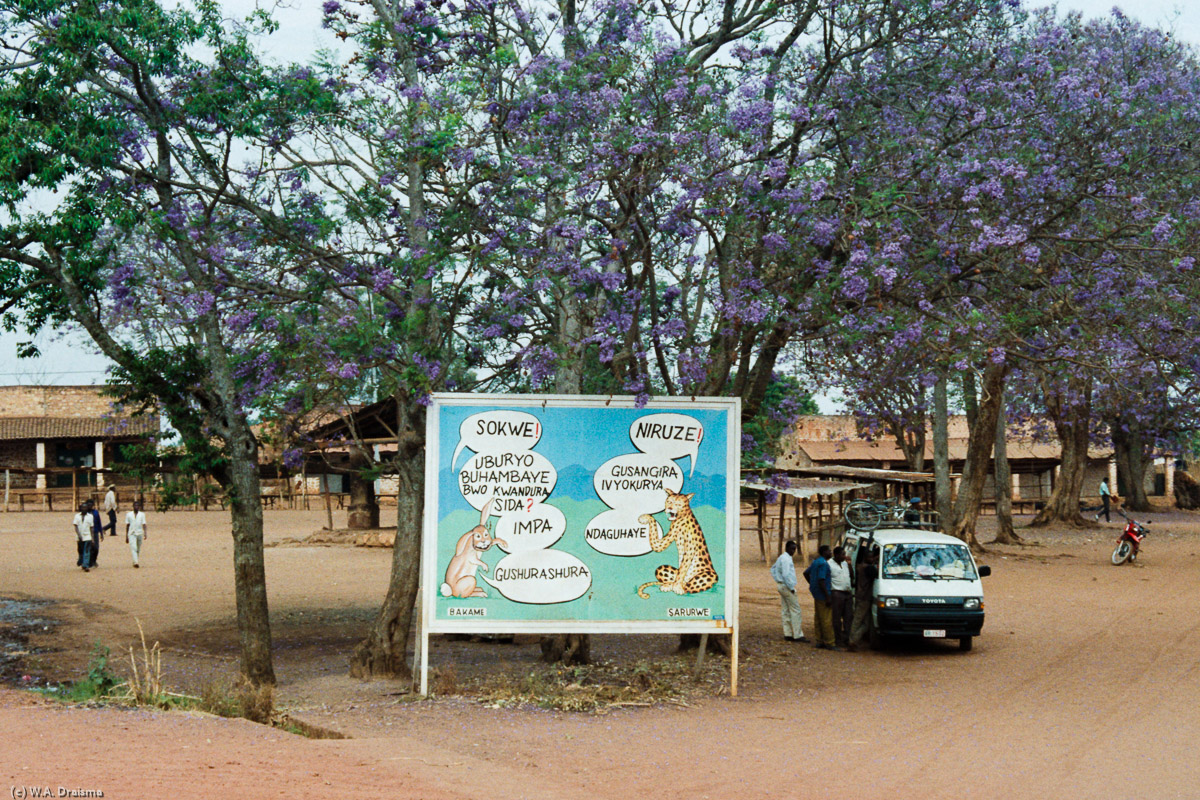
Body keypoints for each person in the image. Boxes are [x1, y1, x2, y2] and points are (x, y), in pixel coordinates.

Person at [770, 540, 807, 642]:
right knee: (796, 610)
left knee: (786, 610)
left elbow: (772, 569)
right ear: (786, 548)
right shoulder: (786, 559)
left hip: (781, 585)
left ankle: (788, 633)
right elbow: (786, 574)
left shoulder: (781, 557)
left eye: (794, 549)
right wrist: (791, 587)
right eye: (792, 549)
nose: (793, 551)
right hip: (786, 586)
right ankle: (798, 635)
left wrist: (778, 579)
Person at [805, 545, 837, 650]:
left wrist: (812, 584)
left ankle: (819, 640)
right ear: (824, 552)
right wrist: (827, 596)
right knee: (827, 619)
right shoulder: (823, 564)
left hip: (816, 593)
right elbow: (822, 579)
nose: (830, 553)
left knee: (818, 617)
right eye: (829, 551)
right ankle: (830, 642)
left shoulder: (816, 562)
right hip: (823, 594)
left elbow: (806, 573)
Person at [849, 547, 878, 651]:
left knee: (865, 623)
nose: (871, 559)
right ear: (866, 558)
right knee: (858, 620)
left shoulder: (861, 566)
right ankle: (852, 641)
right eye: (869, 557)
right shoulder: (868, 568)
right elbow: (875, 572)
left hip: (861, 596)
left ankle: (854, 640)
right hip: (864, 597)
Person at [829, 545, 853, 648]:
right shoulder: (829, 564)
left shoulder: (845, 563)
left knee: (848, 617)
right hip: (837, 593)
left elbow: (852, 576)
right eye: (843, 554)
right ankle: (837, 639)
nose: (845, 556)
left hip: (847, 592)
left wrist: (849, 564)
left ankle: (847, 639)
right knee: (836, 618)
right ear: (836, 555)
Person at [125, 499, 148, 568]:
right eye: (135, 505)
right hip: (131, 533)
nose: (136, 507)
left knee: (138, 548)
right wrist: (126, 536)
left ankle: (135, 560)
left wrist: (145, 533)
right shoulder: (129, 515)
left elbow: (144, 524)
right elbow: (127, 525)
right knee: (133, 547)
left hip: (139, 533)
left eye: (137, 505)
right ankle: (136, 562)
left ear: (139, 507)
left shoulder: (142, 515)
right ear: (133, 506)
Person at [72, 502, 93, 572]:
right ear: (80, 508)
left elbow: (91, 527)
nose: (84, 509)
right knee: (80, 551)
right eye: (83, 507)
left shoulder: (90, 516)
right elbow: (75, 526)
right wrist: (79, 535)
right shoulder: (77, 516)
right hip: (79, 537)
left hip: (87, 536)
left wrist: (92, 538)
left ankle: (86, 565)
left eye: (86, 507)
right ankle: (80, 559)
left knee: (87, 551)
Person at [86, 499, 103, 568]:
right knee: (89, 548)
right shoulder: (85, 513)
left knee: (96, 548)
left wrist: (101, 533)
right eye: (88, 505)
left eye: (91, 505)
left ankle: (94, 560)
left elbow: (99, 522)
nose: (90, 506)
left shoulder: (95, 513)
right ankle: (90, 562)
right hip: (87, 532)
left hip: (95, 532)